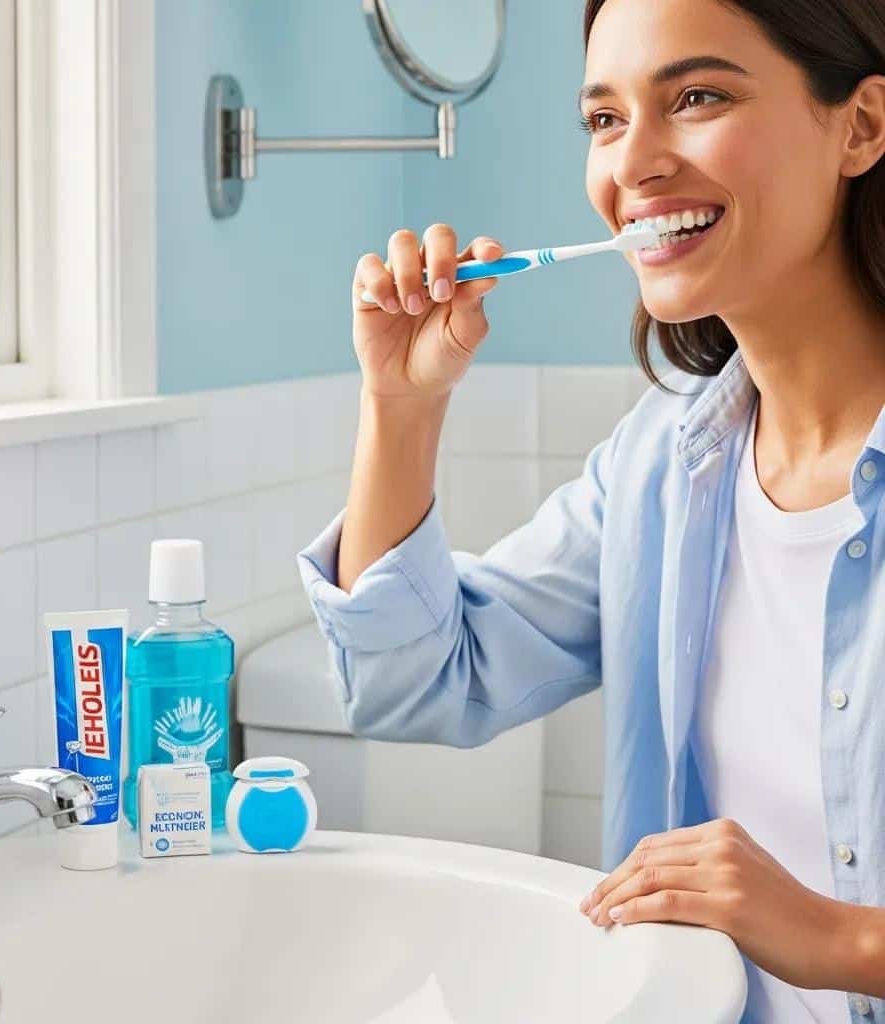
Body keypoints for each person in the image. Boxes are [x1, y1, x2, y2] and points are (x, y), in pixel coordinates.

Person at [296, 0, 885, 1020]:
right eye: (605, 120)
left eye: (697, 98)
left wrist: (840, 939)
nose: (634, 164)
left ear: (862, 125)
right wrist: (401, 404)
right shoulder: (662, 468)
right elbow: (416, 682)